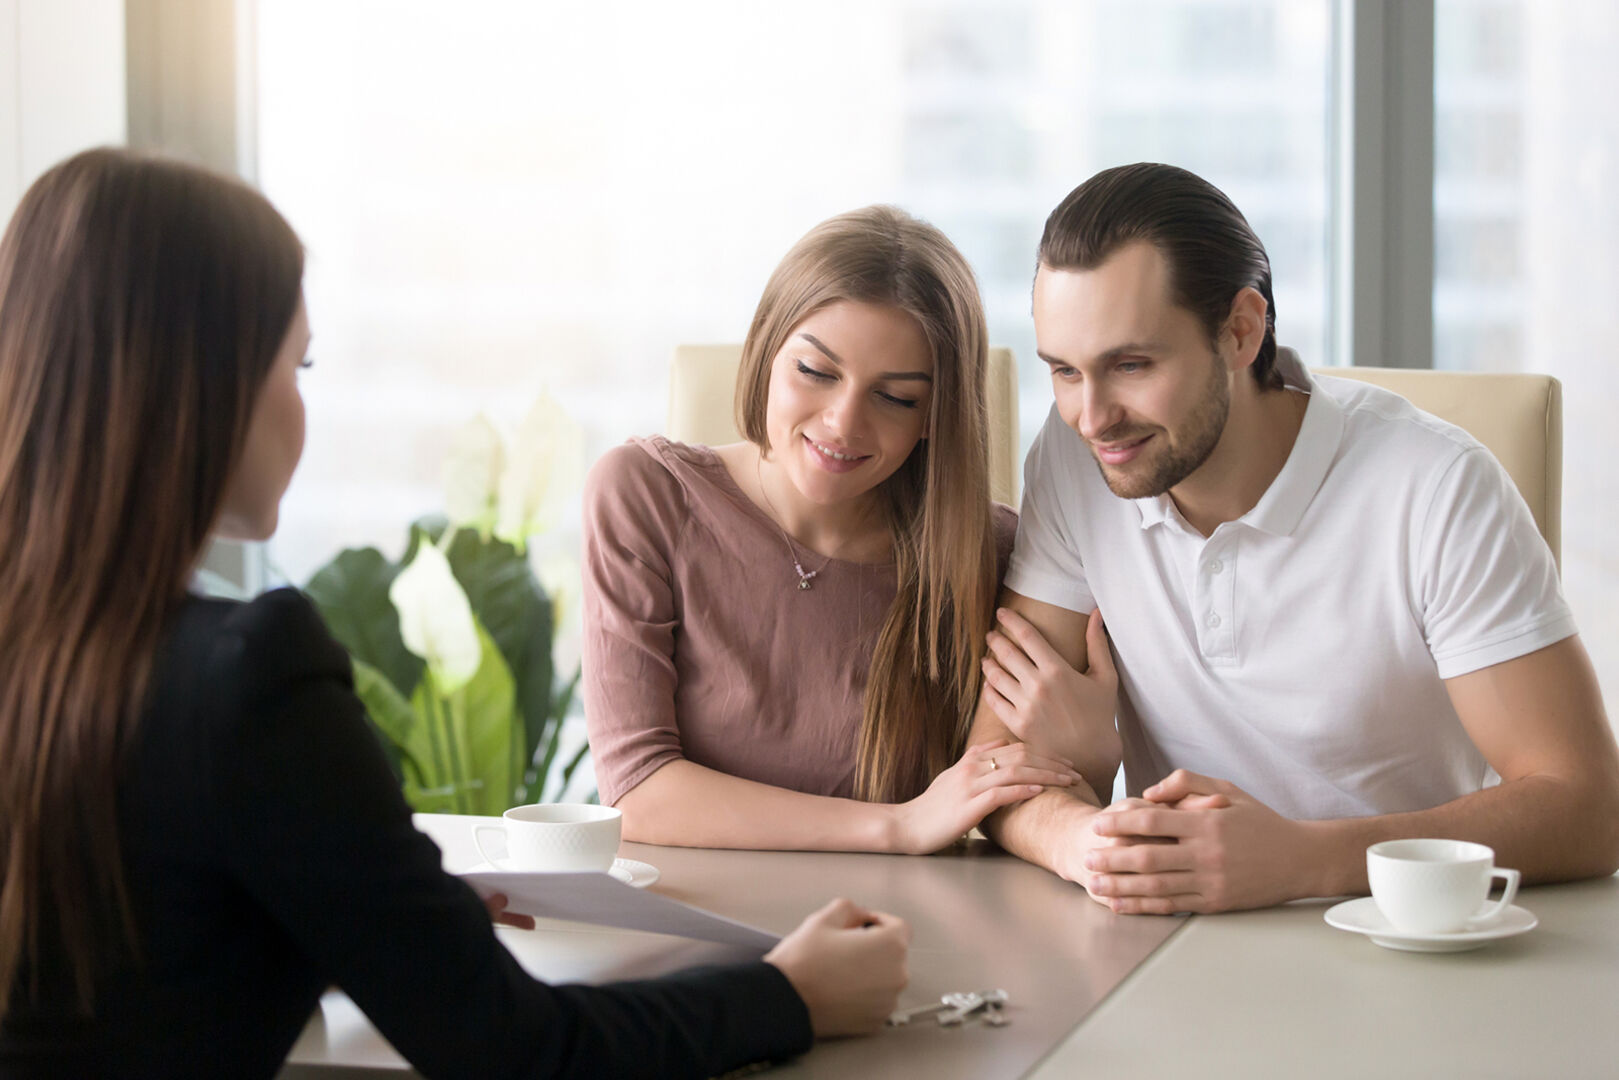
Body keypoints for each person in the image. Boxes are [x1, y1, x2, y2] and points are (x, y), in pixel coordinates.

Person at [0, 148, 911, 1079]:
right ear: (203, 384)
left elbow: (127, 960)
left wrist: (360, 914)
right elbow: (516, 1048)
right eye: (297, 363)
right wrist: (790, 995)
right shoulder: (246, 678)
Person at [970, 162, 1619, 913]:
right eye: (1064, 372)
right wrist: (1092, 845)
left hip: (1394, 932)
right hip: (1172, 935)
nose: (1092, 417)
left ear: (1242, 331)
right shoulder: (1076, 459)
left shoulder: (1436, 486)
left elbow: (1589, 807)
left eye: (1132, 365)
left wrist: (1302, 860)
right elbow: (993, 766)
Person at [583, 206, 1082, 855]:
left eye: (896, 398)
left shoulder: (995, 556)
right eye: (816, 372)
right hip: (694, 911)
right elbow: (637, 790)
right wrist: (899, 826)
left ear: (935, 416)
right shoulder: (644, 495)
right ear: (767, 350)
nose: (844, 423)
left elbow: (1020, 790)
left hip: (899, 913)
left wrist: (1096, 741)